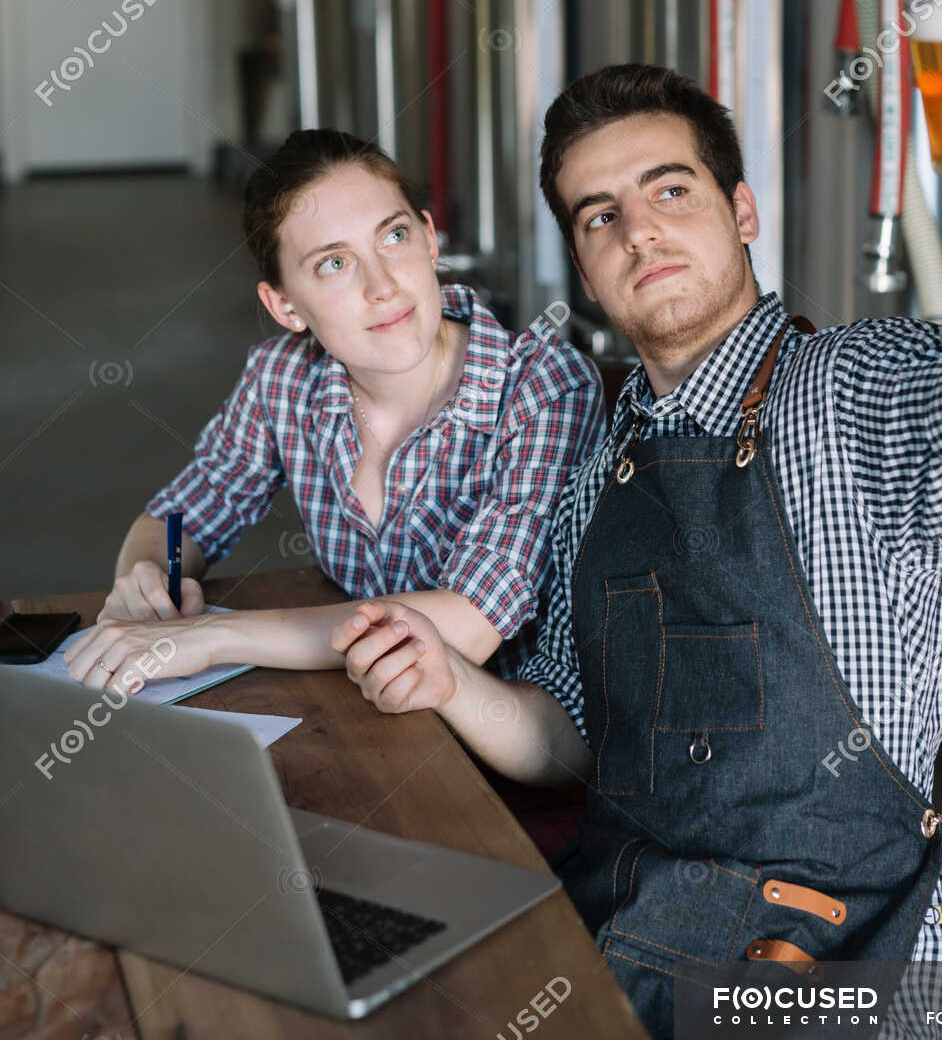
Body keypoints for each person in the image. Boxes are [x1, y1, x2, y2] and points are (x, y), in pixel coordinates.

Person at [329, 3, 942, 1040]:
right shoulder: (601, 465)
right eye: (599, 217)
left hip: (831, 981)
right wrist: (449, 682)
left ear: (743, 212)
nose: (638, 230)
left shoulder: (844, 393)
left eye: (670, 190)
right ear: (587, 276)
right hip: (625, 938)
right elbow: (569, 741)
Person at [64, 129, 604, 697]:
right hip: (361, 705)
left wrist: (210, 637)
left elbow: (468, 623)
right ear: (285, 306)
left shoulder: (542, 386)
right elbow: (179, 518)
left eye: (393, 237)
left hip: (504, 738)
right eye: (333, 264)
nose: (383, 285)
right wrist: (143, 580)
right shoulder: (283, 378)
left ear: (428, 238)